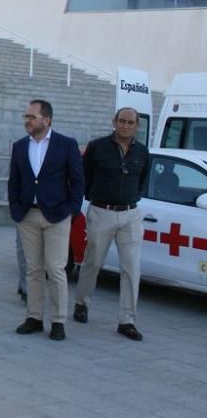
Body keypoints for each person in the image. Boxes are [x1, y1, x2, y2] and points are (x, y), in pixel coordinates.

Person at [8, 99, 84, 340]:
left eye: (31, 116)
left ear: (46, 119)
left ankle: (59, 320)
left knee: (56, 269)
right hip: (27, 216)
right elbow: (15, 180)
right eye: (26, 117)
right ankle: (34, 317)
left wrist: (71, 209)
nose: (27, 121)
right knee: (33, 269)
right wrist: (15, 209)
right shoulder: (20, 146)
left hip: (57, 215)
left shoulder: (66, 145)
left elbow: (78, 180)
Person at [73, 107, 150, 341]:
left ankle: (127, 320)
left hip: (130, 214)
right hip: (101, 211)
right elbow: (84, 176)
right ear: (114, 122)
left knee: (132, 268)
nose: (126, 126)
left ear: (137, 126)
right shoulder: (98, 147)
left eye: (131, 122)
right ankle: (81, 303)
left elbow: (142, 181)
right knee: (93, 262)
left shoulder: (142, 152)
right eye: (122, 121)